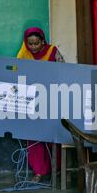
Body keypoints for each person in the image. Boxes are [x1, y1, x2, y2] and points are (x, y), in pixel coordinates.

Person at [17, 27, 64, 183]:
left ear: (43, 41)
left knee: (53, 136)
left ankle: (56, 170)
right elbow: (17, 74)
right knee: (34, 137)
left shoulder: (52, 52)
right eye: (30, 44)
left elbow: (63, 72)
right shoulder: (23, 54)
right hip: (32, 100)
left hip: (52, 98)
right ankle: (39, 172)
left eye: (37, 43)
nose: (34, 47)